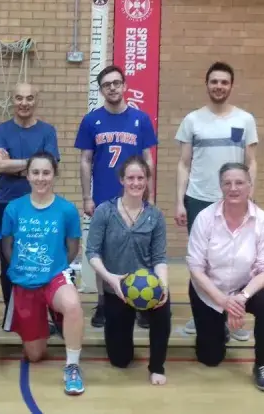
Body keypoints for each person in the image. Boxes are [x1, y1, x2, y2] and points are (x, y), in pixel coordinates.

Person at [175, 61, 259, 342]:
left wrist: (250, 195)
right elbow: (184, 164)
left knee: (235, 261)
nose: (219, 86)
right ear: (207, 84)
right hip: (199, 198)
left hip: (235, 200)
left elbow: (251, 162)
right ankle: (202, 315)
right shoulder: (192, 120)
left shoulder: (245, 120)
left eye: (224, 82)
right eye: (214, 81)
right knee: (202, 262)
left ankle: (233, 314)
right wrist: (179, 202)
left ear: (231, 86)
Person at [74, 65, 158, 329]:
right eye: (106, 84)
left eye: (116, 82)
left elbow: (148, 160)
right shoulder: (91, 120)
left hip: (136, 198)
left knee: (141, 252)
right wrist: (87, 196)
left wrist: (151, 195)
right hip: (104, 198)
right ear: (101, 90)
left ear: (125, 86)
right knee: (103, 252)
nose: (112, 87)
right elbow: (85, 160)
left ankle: (141, 303)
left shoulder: (140, 119)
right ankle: (102, 302)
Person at [186, 162, 264, 393]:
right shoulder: (205, 218)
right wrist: (222, 301)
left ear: (249, 186)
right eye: (227, 183)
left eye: (239, 182)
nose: (233, 188)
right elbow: (195, 267)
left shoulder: (263, 221)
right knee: (210, 358)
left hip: (245, 288)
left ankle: (263, 365)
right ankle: (219, 328)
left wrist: (240, 298)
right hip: (208, 290)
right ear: (220, 187)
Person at [1, 152, 86, 396]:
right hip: (25, 284)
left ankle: (72, 366)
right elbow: (7, 246)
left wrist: (53, 268)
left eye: (46, 172)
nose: (41, 178)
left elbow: (73, 248)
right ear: (27, 175)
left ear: (54, 175)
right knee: (34, 355)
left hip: (54, 279)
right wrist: (22, 267)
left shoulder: (66, 210)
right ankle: (50, 320)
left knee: (72, 304)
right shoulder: (14, 208)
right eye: (35, 172)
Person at [84, 155, 171, 386]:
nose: (135, 183)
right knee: (120, 360)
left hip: (148, 287)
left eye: (140, 177)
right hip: (118, 289)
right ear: (122, 180)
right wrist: (111, 280)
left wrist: (162, 286)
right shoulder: (105, 211)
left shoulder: (155, 216)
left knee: (164, 310)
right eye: (130, 177)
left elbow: (160, 257)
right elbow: (92, 252)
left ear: (147, 180)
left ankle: (157, 366)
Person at [0, 82, 60, 326]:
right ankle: (14, 316)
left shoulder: (48, 131)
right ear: (12, 100)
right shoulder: (0, 130)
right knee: (9, 262)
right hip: (7, 204)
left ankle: (44, 315)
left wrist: (17, 166)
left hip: (41, 205)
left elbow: (50, 165)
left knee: (41, 259)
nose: (24, 103)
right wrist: (35, 164)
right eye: (19, 98)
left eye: (29, 98)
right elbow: (0, 165)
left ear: (36, 101)